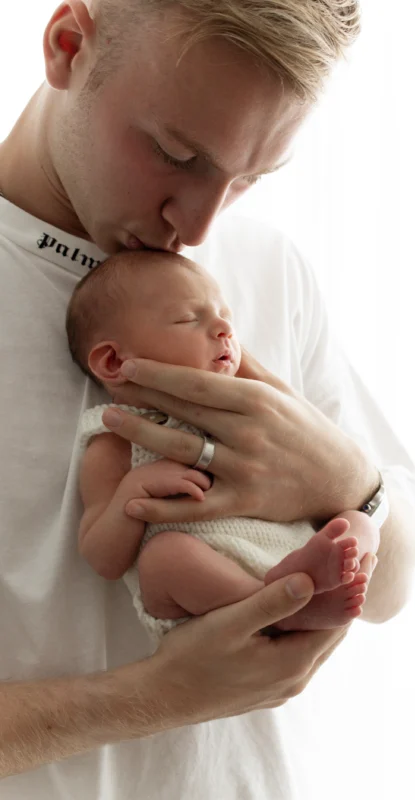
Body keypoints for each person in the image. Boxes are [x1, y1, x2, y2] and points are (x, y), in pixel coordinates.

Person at [0, 0, 415, 796]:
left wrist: (345, 482)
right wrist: (149, 699)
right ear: (66, 46)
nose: (197, 229)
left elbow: (393, 590)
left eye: (251, 177)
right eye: (176, 154)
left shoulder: (267, 265)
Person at [69, 250, 380, 641]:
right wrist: (131, 493)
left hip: (287, 550)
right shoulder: (116, 439)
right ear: (114, 361)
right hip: (205, 583)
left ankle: (303, 582)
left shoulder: (255, 411)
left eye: (226, 318)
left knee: (363, 521)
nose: (224, 330)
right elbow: (103, 560)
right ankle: (277, 607)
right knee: (163, 559)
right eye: (188, 318)